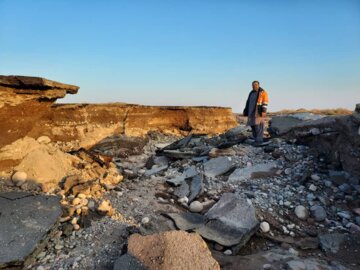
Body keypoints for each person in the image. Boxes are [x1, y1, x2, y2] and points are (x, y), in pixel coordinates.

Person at [243, 81, 269, 146]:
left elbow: (265, 102)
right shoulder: (251, 93)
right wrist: (245, 110)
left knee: (259, 125)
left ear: (259, 85)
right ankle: (256, 139)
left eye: (256, 85)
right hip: (251, 112)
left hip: (258, 112)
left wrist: (264, 111)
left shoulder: (262, 92)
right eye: (253, 85)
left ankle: (259, 141)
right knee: (253, 125)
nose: (254, 86)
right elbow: (248, 102)